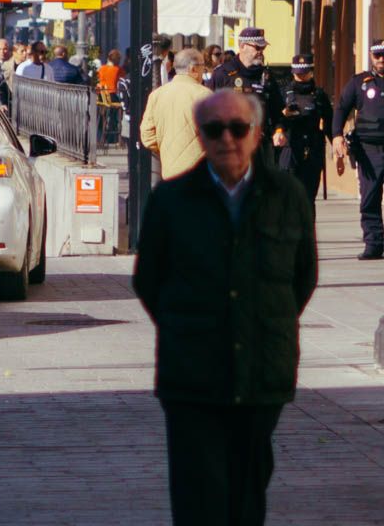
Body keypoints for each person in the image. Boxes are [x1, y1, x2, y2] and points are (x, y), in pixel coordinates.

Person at [133, 89, 319, 526]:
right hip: (191, 374)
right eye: (215, 130)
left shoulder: (287, 195)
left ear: (256, 134)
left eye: (238, 128)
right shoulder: (171, 200)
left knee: (247, 491)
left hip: (262, 371)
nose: (228, 140)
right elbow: (148, 280)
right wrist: (187, 325)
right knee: (197, 493)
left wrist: (262, 317)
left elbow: (303, 277)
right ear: (201, 136)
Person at [333, 40, 384, 260]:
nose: (382, 60)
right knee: (369, 198)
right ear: (371, 56)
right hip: (367, 150)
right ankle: (373, 244)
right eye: (377, 55)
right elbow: (341, 108)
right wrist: (336, 135)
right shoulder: (359, 82)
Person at [139, 48, 212, 180]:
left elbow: (147, 136)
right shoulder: (204, 95)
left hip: (170, 172)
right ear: (193, 69)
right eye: (203, 66)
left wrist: (167, 148)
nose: (204, 70)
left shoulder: (157, 95)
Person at [279, 54, 333, 199]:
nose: (301, 77)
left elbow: (330, 123)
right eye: (298, 74)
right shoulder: (284, 93)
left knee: (308, 198)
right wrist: (283, 116)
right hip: (290, 149)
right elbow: (274, 120)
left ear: (311, 72)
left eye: (304, 73)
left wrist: (337, 145)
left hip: (312, 148)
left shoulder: (319, 95)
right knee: (288, 198)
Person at [97, 49, 124, 144]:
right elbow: (123, 81)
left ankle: (102, 134)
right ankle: (114, 135)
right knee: (119, 109)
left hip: (102, 96)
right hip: (112, 95)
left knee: (104, 116)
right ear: (117, 60)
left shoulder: (102, 68)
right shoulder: (118, 69)